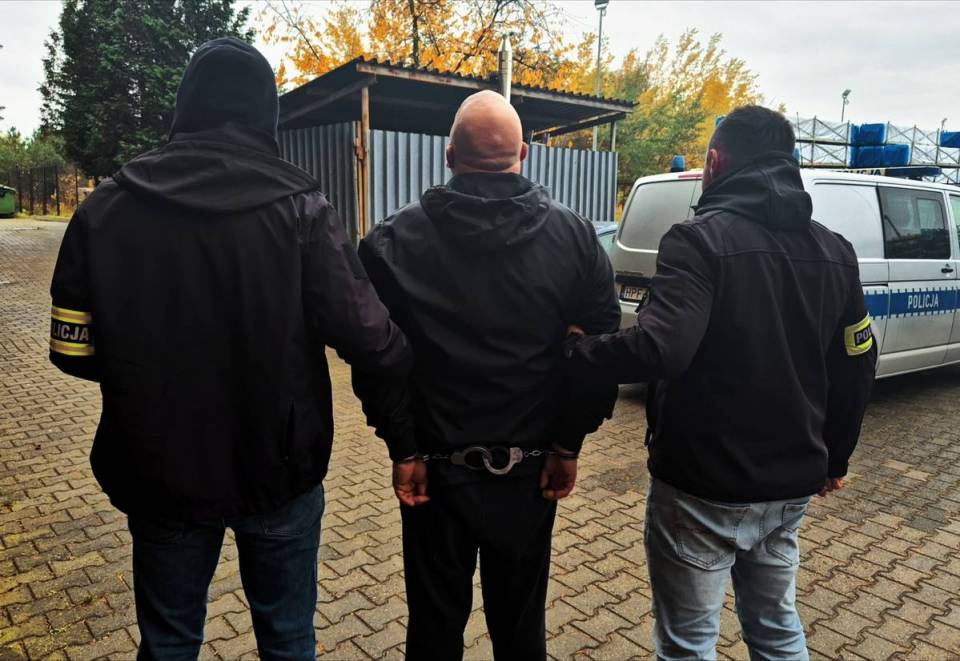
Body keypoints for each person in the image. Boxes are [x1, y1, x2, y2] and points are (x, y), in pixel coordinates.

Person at [48, 38, 410, 660]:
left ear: (186, 106)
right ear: (265, 113)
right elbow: (371, 339)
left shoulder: (108, 206)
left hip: (157, 468)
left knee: (168, 641)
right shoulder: (303, 208)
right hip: (279, 467)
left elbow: (71, 350)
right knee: (288, 638)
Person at [565, 105, 877, 660]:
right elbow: (859, 357)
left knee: (689, 642)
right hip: (790, 483)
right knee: (776, 626)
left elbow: (662, 347)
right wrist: (836, 458)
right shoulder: (836, 251)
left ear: (714, 163)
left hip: (702, 485)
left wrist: (576, 353)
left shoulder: (698, 241)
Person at [351, 90, 621, 660]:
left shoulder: (390, 242)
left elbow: (374, 358)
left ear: (450, 156)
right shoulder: (576, 239)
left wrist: (403, 448)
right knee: (521, 632)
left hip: (434, 475)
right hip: (529, 475)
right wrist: (568, 444)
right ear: (523, 153)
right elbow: (598, 356)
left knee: (433, 630)